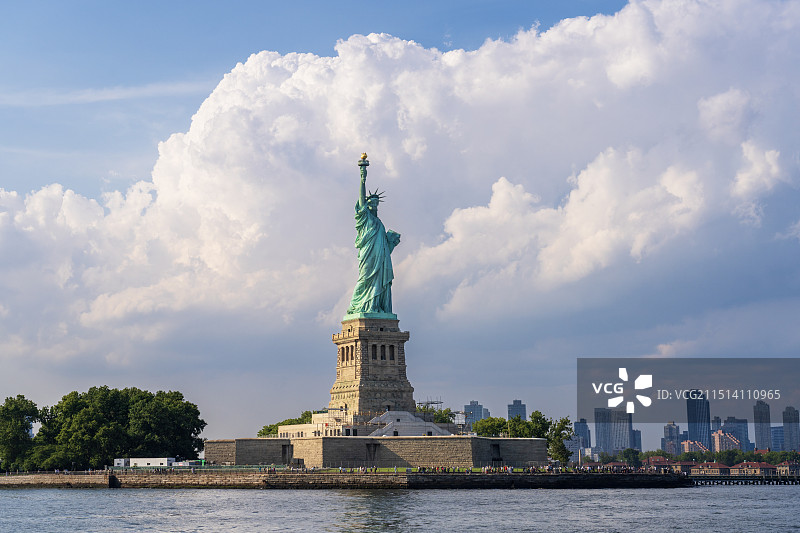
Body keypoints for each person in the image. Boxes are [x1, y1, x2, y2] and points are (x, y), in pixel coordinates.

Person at [347, 155, 400, 315]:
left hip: (381, 258)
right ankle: (358, 305)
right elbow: (362, 199)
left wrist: (391, 242)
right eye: (372, 203)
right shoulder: (364, 218)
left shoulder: (379, 223)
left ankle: (375, 307)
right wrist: (363, 178)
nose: (375, 206)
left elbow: (384, 246)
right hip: (368, 256)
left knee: (379, 281)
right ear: (367, 205)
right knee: (364, 279)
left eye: (377, 203)